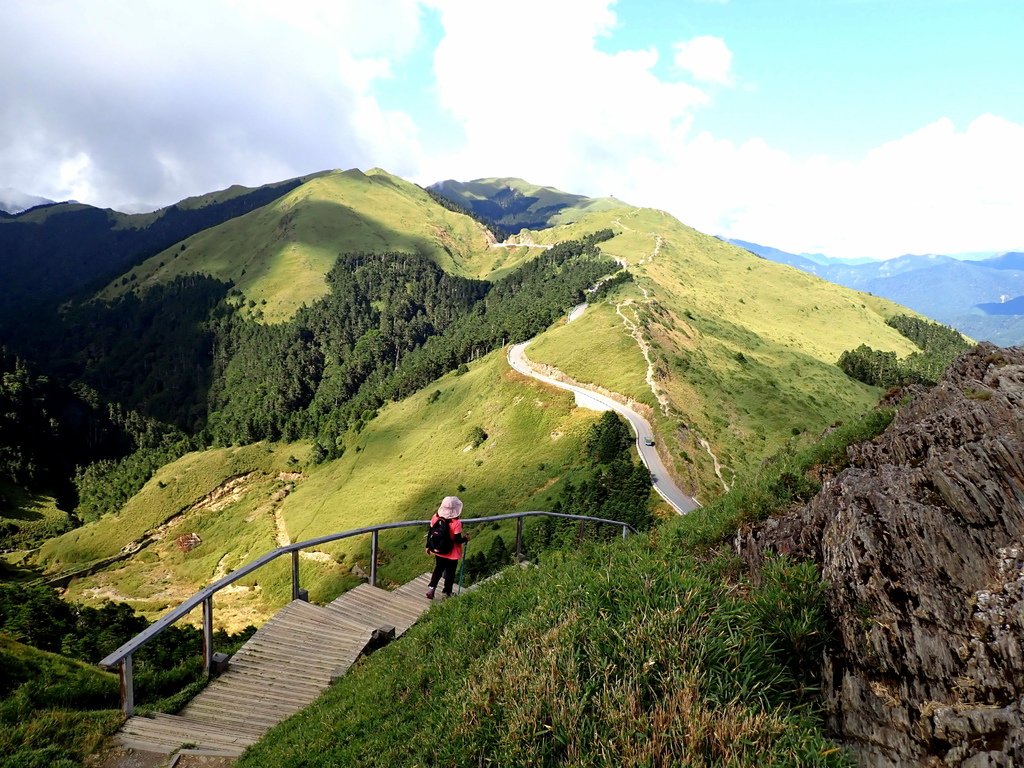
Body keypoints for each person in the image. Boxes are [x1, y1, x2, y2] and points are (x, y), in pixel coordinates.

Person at [425, 495, 469, 599]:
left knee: (438, 569)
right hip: (452, 553)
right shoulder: (456, 523)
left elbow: (431, 532)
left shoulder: (435, 517)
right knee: (450, 573)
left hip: (439, 550)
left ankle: (431, 589)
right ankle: (447, 592)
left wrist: (428, 546)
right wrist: (466, 539)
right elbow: (457, 540)